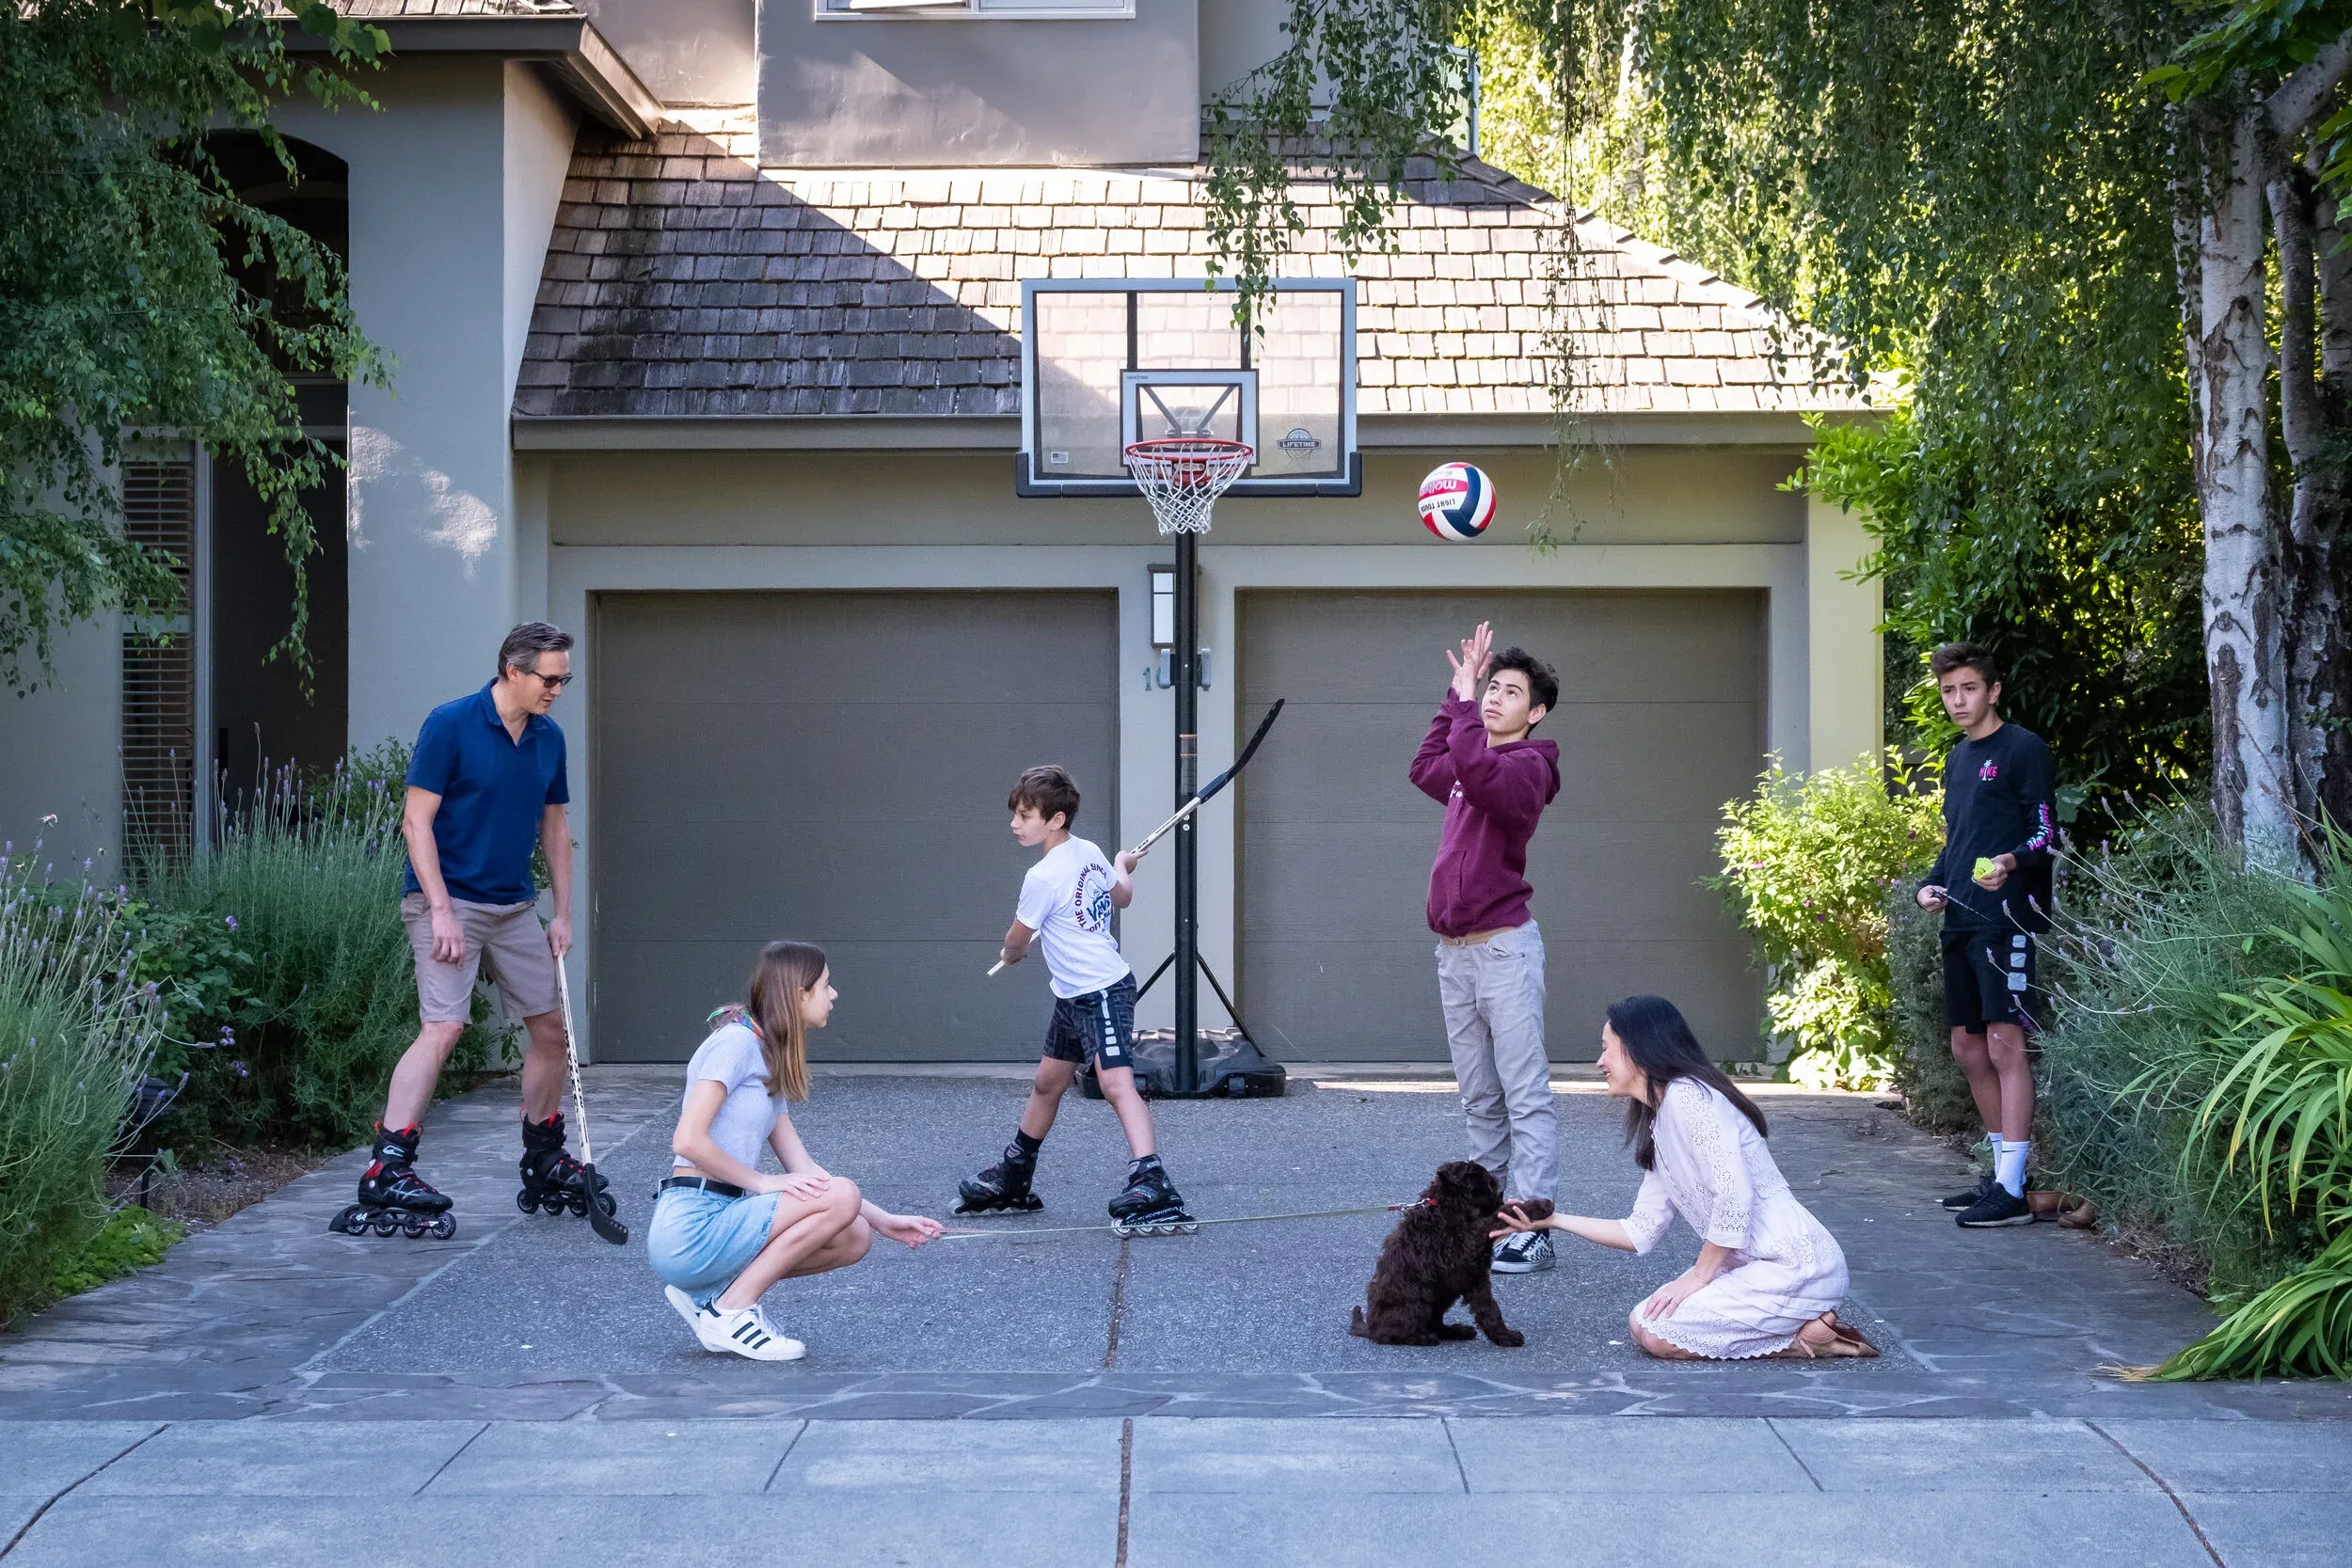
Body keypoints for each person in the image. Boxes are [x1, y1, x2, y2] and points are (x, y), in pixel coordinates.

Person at [341, 623, 596, 1234]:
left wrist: (560, 913)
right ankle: (389, 1164)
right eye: (549, 677)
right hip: (446, 899)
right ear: (513, 669)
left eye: (565, 678)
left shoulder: (547, 738)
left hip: (512, 906)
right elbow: (415, 824)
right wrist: (441, 910)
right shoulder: (450, 724)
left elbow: (554, 828)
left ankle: (543, 1152)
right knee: (445, 1025)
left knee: (551, 1028)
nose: (558, 688)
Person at [1492, 996, 1875, 1360]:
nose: (1599, 1061)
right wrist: (1552, 1221)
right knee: (1646, 1324)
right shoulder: (1660, 1121)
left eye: (1607, 1048)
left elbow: (1734, 1194)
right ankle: (1809, 1332)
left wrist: (1699, 1275)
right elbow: (1639, 1231)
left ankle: (1806, 1338)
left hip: (1795, 1265)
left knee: (1656, 1333)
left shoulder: (1691, 1097)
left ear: (1639, 1049)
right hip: (1754, 1267)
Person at [649, 942, 944, 1360]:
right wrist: (762, 1182)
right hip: (690, 1224)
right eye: (826, 984)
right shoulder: (733, 1044)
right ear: (799, 993)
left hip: (721, 1220)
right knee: (841, 1196)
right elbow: (687, 1140)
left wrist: (884, 1221)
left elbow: (807, 1171)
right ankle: (731, 1310)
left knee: (854, 1237)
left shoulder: (766, 1059)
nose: (834, 994)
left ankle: (716, 1297)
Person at [953, 764, 1190, 1229]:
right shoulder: (1089, 853)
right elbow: (1122, 896)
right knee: (1048, 1083)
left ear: (1056, 819)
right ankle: (1015, 1174)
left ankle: (1152, 1179)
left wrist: (1011, 953)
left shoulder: (1043, 877)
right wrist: (1122, 866)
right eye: (1015, 815)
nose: (1015, 823)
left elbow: (1018, 939)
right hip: (1073, 993)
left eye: (1025, 815)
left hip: (1101, 989)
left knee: (1115, 1083)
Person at [1408, 621, 1564, 1273]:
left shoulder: (1529, 767)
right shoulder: (1475, 758)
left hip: (1505, 951)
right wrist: (1455, 695)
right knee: (1479, 1094)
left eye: (1509, 691)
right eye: (1491, 687)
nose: (1495, 697)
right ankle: (1485, 1213)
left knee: (1524, 1090)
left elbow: (1472, 762)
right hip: (1456, 954)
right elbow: (1425, 768)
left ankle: (1533, 1224)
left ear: (1537, 711)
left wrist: (1466, 705)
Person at [1914, 642, 2057, 1228]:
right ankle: (2000, 1176)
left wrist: (2011, 861)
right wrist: (1930, 884)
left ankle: (2013, 1188)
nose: (1958, 700)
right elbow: (1956, 842)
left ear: (1993, 690)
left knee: (2004, 1044)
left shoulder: (2024, 749)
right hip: (1962, 916)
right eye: (1949, 691)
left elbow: (2046, 832)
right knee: (1967, 1048)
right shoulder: (1957, 759)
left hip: (2010, 917)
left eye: (1968, 688)